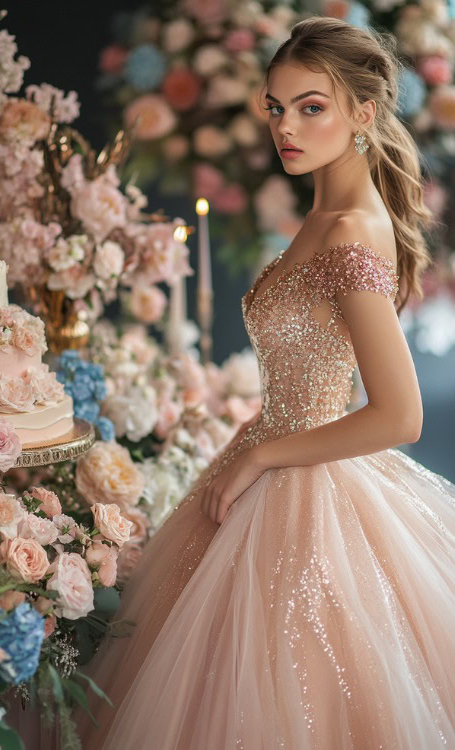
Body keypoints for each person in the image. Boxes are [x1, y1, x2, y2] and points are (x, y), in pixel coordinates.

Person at [78, 16, 455, 749]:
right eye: (277, 107)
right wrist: (253, 447)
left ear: (363, 113)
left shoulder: (348, 229)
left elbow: (401, 415)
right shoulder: (320, 216)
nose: (287, 126)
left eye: (312, 106)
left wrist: (260, 455)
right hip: (267, 452)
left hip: (304, 481)